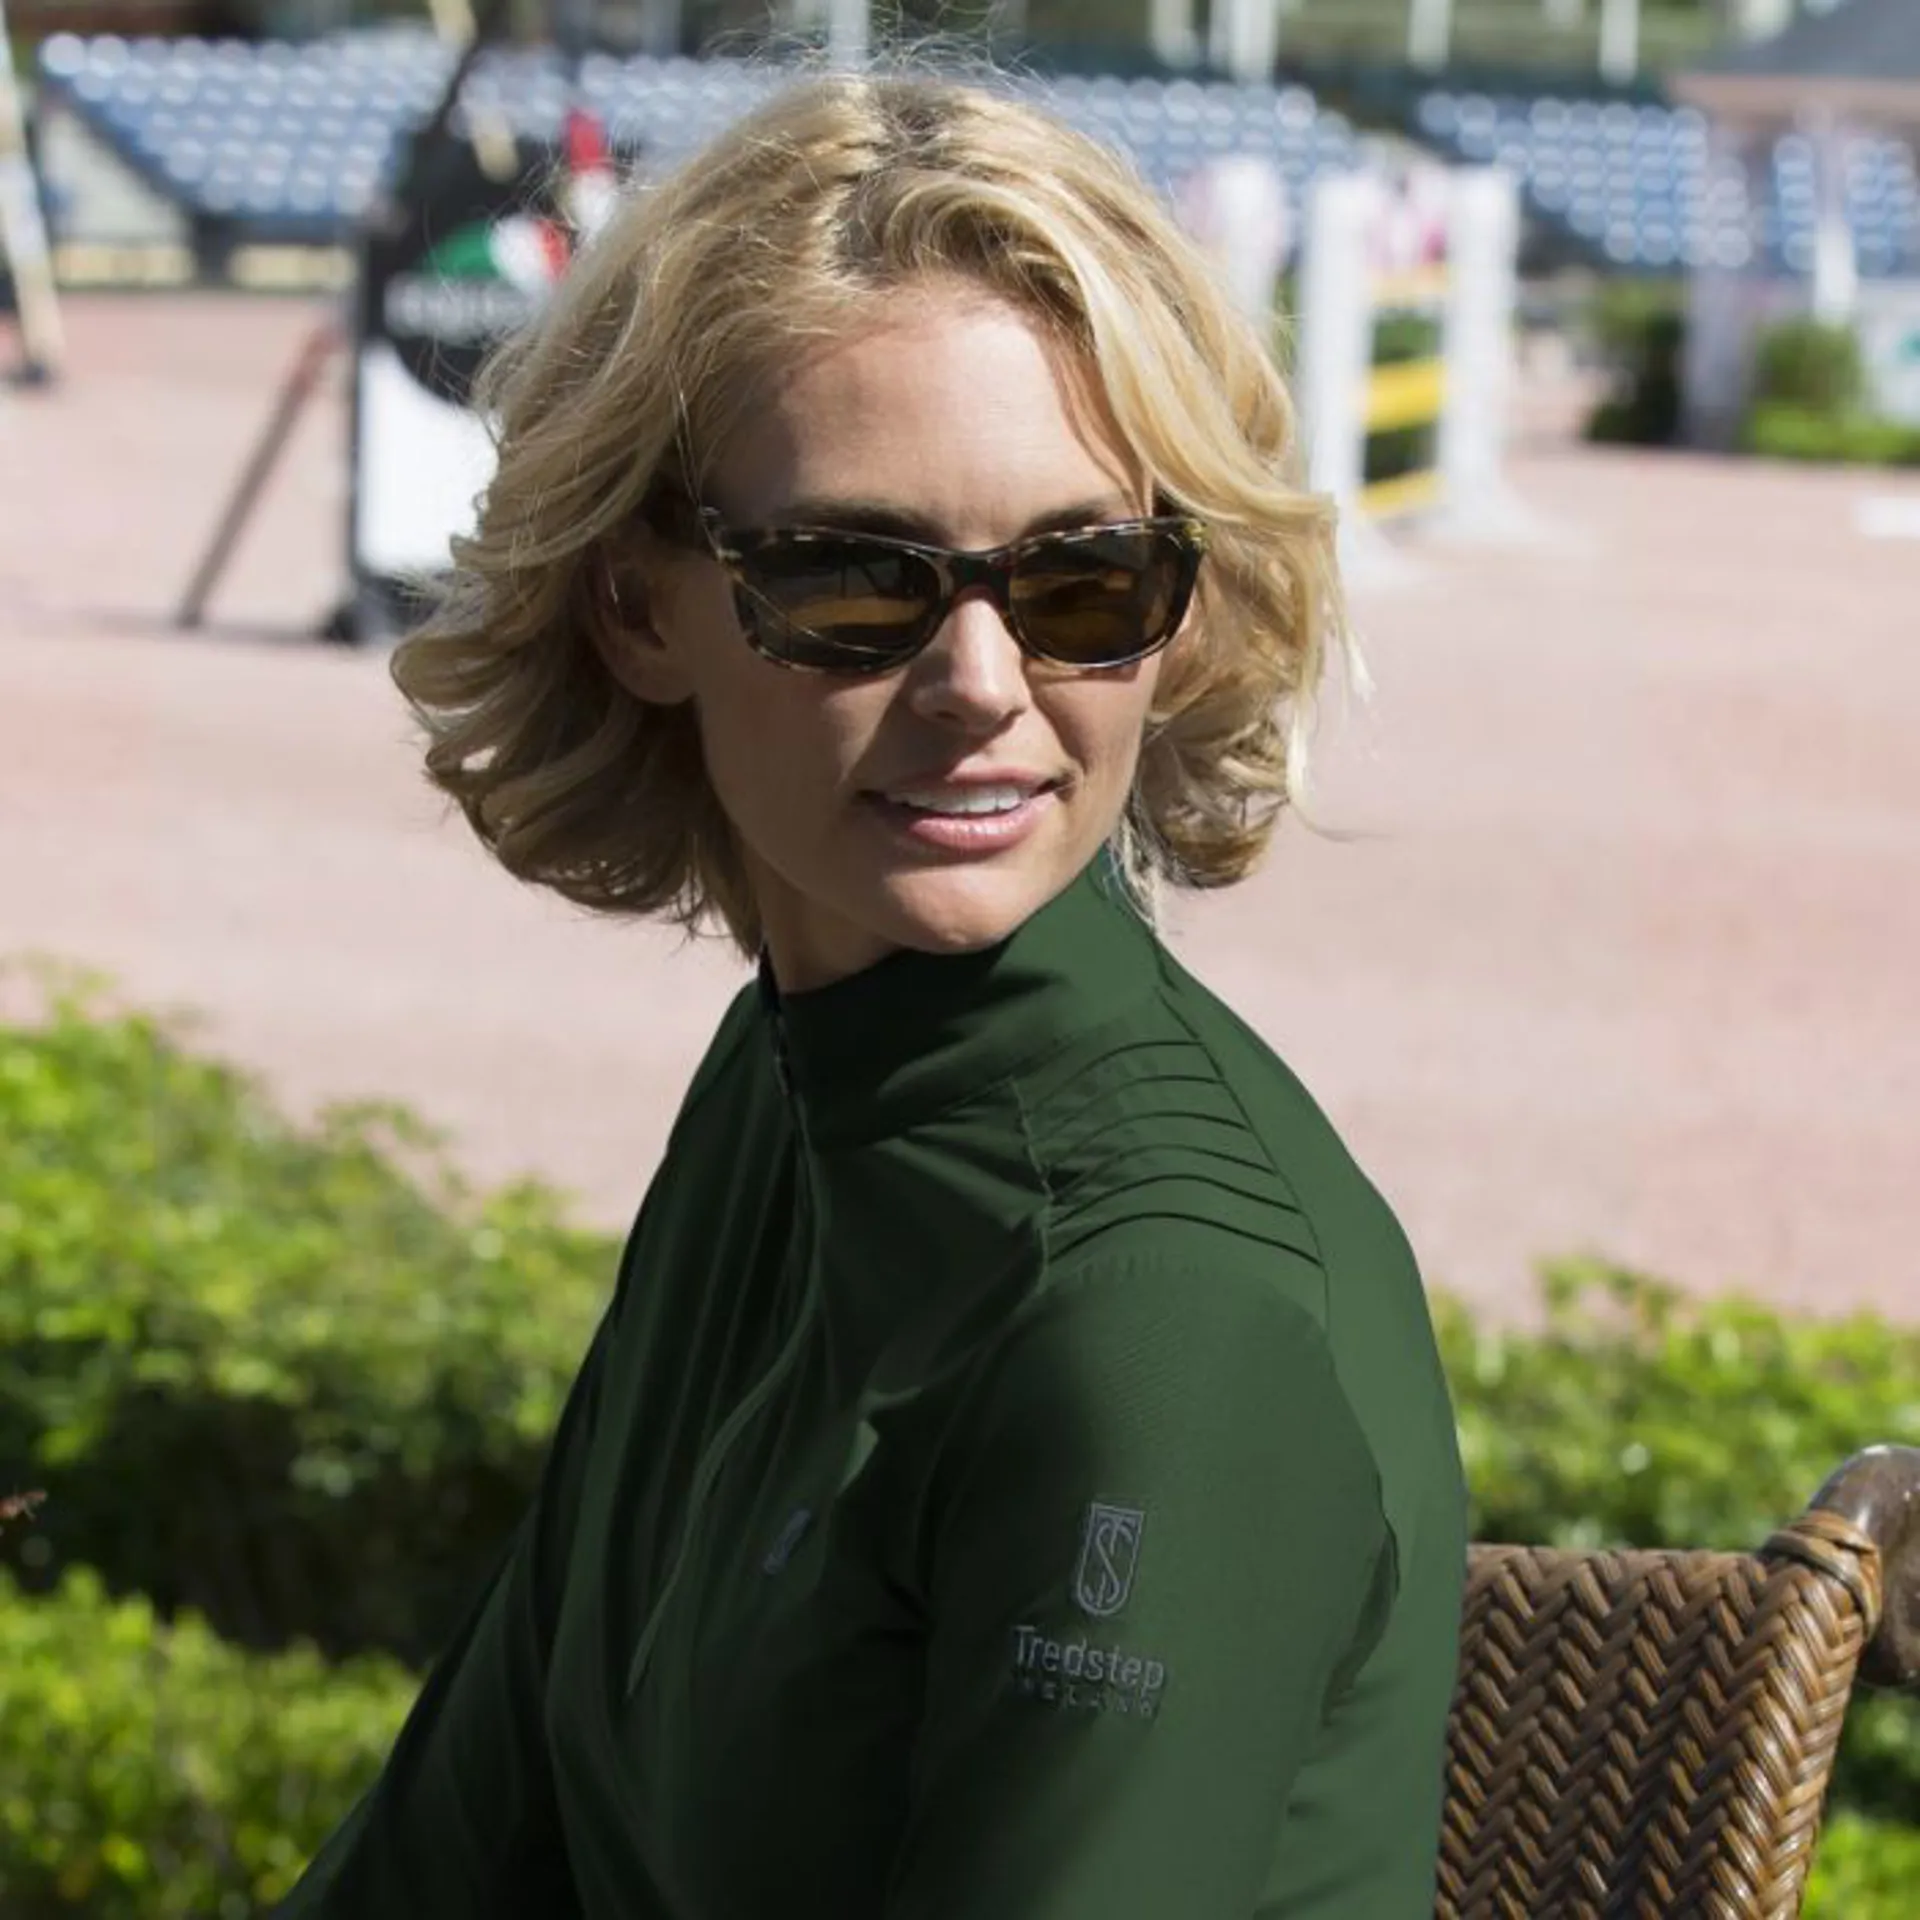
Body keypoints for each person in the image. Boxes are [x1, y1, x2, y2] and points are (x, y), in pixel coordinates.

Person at [275, 62, 1468, 1920]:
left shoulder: (1165, 1324)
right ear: (634, 604)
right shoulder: (796, 1075)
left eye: (1083, 581)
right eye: (850, 579)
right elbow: (461, 1845)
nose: (983, 681)